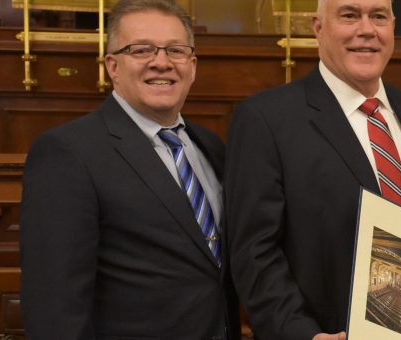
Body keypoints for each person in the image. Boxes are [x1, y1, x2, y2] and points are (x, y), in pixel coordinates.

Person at [224, 0, 401, 339]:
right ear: (318, 28)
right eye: (350, 15)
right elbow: (254, 251)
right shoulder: (266, 119)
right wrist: (301, 333)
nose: (366, 30)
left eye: (378, 17)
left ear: (393, 28)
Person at [19, 0, 240, 339]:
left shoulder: (211, 146)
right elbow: (54, 305)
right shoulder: (68, 153)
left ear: (192, 66)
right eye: (141, 50)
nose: (161, 63)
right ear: (113, 66)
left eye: (176, 51)